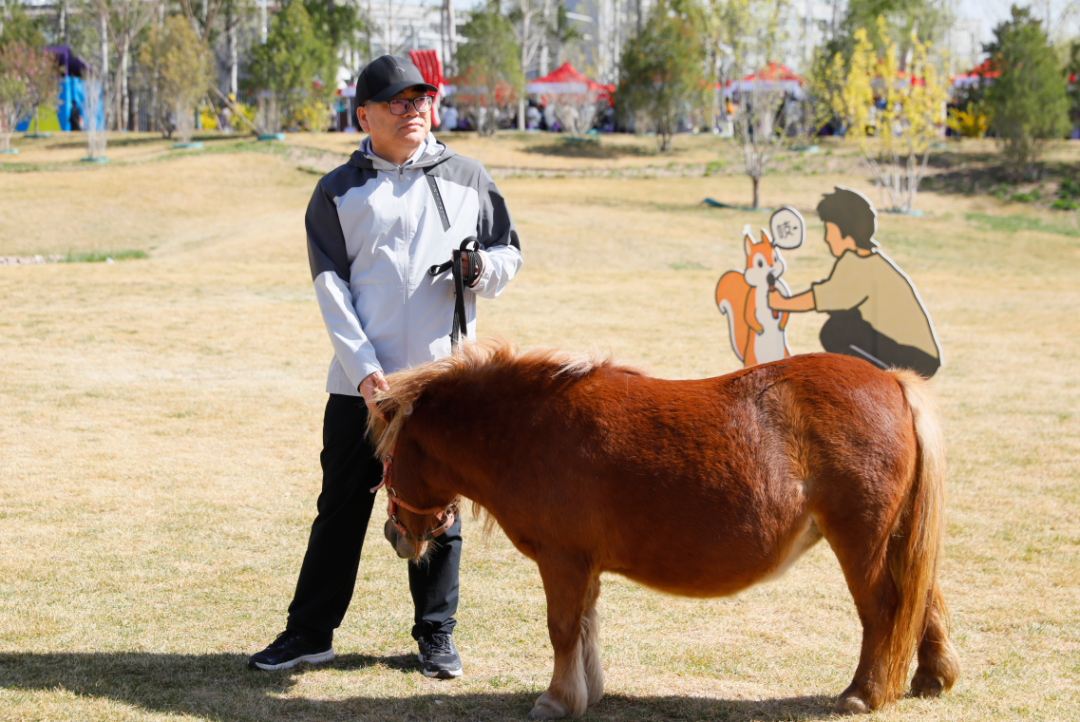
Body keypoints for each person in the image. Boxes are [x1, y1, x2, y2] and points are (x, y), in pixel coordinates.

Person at [247, 55, 523, 678]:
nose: (413, 111)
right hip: (359, 388)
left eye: (421, 99)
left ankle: (436, 636)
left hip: (441, 388)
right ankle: (310, 634)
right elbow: (331, 289)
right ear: (363, 115)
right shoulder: (336, 191)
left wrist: (481, 269)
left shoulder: (468, 177)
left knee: (438, 511)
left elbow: (508, 253)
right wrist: (366, 373)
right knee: (341, 508)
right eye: (397, 102)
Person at [768, 186, 941, 377]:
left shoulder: (859, 263)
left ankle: (870, 381)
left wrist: (780, 302)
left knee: (836, 331)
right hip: (912, 351)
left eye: (829, 230)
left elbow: (821, 297)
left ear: (846, 233)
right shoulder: (868, 261)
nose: (826, 238)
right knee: (843, 321)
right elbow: (833, 297)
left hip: (916, 358)